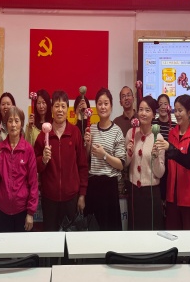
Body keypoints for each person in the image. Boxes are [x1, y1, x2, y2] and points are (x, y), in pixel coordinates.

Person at [34, 90, 88, 231]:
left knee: (70, 238)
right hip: (49, 199)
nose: (60, 110)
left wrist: (82, 195)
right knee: (50, 238)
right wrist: (43, 160)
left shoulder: (75, 133)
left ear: (67, 109)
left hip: (71, 198)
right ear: (52, 109)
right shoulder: (43, 135)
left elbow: (82, 165)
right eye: (57, 106)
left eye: (63, 106)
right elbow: (35, 166)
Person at [158, 94, 190, 230]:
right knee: (172, 235)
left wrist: (171, 149)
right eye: (175, 110)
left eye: (180, 110)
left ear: (189, 112)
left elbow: (189, 162)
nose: (177, 114)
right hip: (172, 197)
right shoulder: (172, 133)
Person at [0, 107, 38, 232]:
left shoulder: (28, 149)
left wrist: (30, 212)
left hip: (22, 210)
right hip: (3, 210)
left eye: (17, 121)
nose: (13, 125)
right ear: (6, 124)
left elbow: (33, 183)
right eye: (10, 121)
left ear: (21, 123)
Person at [84, 88, 126, 231]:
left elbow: (121, 164)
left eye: (106, 103)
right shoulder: (91, 129)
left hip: (109, 187)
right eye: (100, 103)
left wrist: (104, 155)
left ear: (111, 106)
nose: (103, 107)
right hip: (93, 185)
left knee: (109, 230)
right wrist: (87, 145)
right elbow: (86, 159)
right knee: (92, 230)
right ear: (96, 106)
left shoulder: (117, 131)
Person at [125, 96, 165, 230]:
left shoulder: (158, 138)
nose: (143, 113)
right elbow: (125, 164)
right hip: (134, 191)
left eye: (147, 110)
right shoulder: (131, 133)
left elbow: (160, 173)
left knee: (151, 230)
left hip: (151, 192)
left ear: (153, 114)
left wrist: (155, 158)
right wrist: (129, 153)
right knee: (135, 230)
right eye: (141, 109)